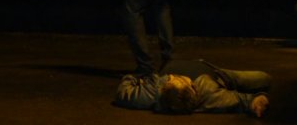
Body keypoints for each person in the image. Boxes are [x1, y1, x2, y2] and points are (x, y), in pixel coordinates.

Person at [113, 59, 271, 117]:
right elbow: (241, 101)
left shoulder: (150, 94)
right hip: (221, 77)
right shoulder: (208, 95)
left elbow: (122, 91)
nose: (191, 81)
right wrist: (256, 100)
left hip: (208, 68)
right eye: (189, 83)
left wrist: (136, 78)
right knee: (264, 79)